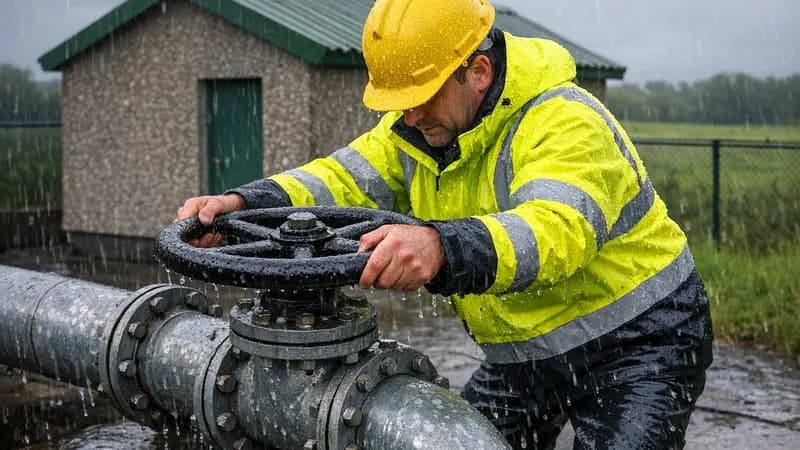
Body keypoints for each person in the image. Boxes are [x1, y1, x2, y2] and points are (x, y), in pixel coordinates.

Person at [177, 0, 713, 448]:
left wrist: (442, 247)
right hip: (523, 355)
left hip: (639, 343)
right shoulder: (416, 132)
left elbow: (554, 232)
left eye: (420, 97)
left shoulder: (563, 120)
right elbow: (340, 179)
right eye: (400, 103)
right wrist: (246, 204)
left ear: (478, 72)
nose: (408, 116)